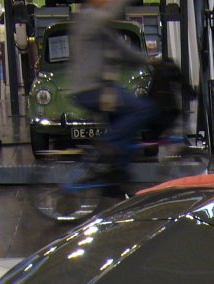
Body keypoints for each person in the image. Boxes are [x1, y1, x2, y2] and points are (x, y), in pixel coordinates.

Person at [70, 0, 170, 191]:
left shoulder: (101, 28)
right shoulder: (88, 18)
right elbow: (108, 14)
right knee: (142, 109)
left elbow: (123, 49)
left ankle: (114, 180)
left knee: (128, 131)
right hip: (90, 91)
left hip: (103, 89)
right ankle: (107, 143)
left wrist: (149, 60)